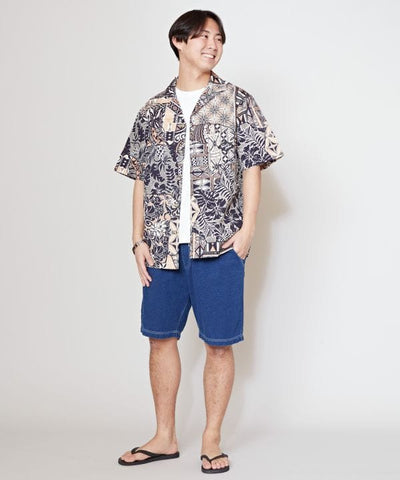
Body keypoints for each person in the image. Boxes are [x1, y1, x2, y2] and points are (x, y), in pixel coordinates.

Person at [113, 9, 284, 474]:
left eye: (219, 38)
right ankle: (164, 437)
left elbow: (253, 164)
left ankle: (211, 439)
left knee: (219, 345)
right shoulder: (152, 110)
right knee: (159, 339)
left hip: (219, 246)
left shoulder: (237, 101)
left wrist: (247, 231)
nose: (213, 45)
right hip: (161, 247)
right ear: (179, 41)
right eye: (203, 36)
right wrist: (137, 240)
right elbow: (140, 177)